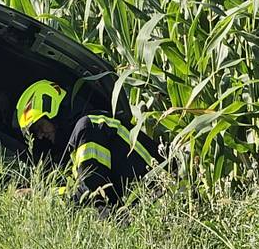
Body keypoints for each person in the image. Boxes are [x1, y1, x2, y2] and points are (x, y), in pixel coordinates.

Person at [15, 79, 160, 204]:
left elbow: (91, 191)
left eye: (40, 127)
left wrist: (39, 195)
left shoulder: (87, 128)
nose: (40, 136)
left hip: (158, 193)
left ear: (52, 110)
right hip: (148, 199)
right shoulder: (78, 140)